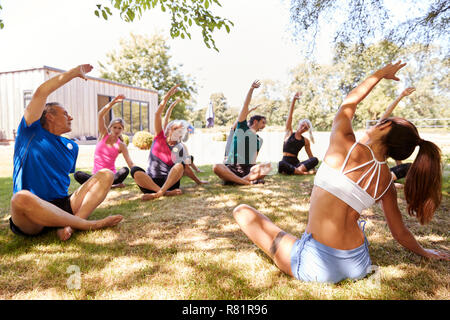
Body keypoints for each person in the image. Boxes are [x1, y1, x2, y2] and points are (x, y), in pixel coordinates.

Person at [233, 61, 448, 284]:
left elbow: (350, 101)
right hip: (358, 262)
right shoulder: (385, 181)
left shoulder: (343, 143)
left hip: (318, 265)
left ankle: (299, 245)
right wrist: (424, 252)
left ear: (384, 127)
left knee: (243, 211)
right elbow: (400, 232)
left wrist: (380, 73)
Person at [9, 64, 123, 241]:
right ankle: (86, 225)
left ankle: (71, 223)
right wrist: (73, 74)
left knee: (106, 174)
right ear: (50, 116)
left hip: (63, 205)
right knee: (20, 198)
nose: (71, 117)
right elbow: (41, 93)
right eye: (65, 114)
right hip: (32, 212)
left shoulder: (72, 146)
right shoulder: (30, 131)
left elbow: (60, 181)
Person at [130, 84, 200, 200]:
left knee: (180, 164)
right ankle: (163, 192)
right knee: (135, 170)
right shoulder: (159, 137)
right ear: (168, 130)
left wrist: (199, 181)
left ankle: (159, 192)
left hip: (170, 182)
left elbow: (186, 168)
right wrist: (168, 97)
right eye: (175, 128)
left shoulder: (180, 147)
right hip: (151, 182)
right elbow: (158, 114)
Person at [213, 80, 272, 185]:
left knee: (268, 166)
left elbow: (254, 158)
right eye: (263, 122)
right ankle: (246, 182)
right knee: (216, 166)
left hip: (247, 169)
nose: (265, 125)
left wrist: (255, 169)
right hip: (233, 166)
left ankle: (240, 180)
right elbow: (245, 106)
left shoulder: (259, 140)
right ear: (255, 122)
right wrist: (251, 90)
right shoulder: (242, 127)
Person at [73, 94, 135, 188]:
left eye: (120, 128)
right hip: (96, 175)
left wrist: (139, 174)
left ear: (122, 130)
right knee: (77, 174)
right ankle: (111, 186)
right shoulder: (103, 135)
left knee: (125, 170)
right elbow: (100, 115)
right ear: (110, 127)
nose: (117, 130)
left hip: (111, 176)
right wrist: (113, 102)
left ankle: (103, 185)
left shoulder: (121, 145)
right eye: (115, 127)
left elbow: (130, 163)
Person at [163, 98, 208, 185]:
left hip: (175, 170)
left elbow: (186, 162)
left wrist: (198, 181)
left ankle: (194, 177)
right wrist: (171, 106)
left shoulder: (179, 145)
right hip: (164, 171)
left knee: (186, 160)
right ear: (171, 130)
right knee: (184, 161)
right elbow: (165, 120)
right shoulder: (164, 138)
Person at [378, 87, 416, 187]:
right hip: (369, 175)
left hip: (379, 174)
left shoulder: (393, 144)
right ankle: (387, 182)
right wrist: (401, 96)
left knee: (408, 167)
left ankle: (388, 181)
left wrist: (403, 176)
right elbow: (386, 113)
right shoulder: (378, 137)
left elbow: (399, 164)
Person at [278, 92, 319, 175]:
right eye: (302, 125)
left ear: (307, 130)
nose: (303, 128)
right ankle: (303, 173)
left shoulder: (305, 141)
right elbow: (290, 117)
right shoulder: (289, 133)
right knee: (281, 164)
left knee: (315, 159)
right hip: (286, 162)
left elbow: (310, 156)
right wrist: (293, 100)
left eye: (306, 128)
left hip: (297, 164)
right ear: (299, 124)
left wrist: (313, 165)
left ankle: (295, 171)